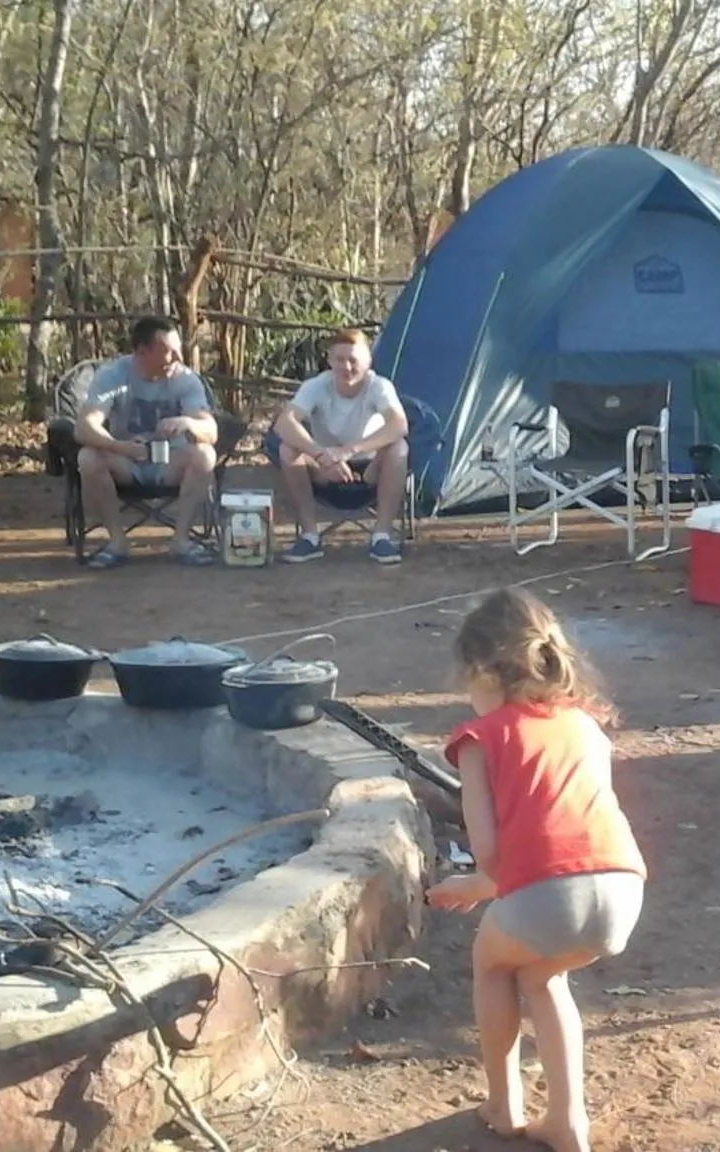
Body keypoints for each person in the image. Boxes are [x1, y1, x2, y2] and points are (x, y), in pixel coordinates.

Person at [424, 588, 646, 1152]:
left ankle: (504, 1105)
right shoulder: (585, 725)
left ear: (481, 671)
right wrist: (498, 886)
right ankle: (569, 1123)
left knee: (492, 964)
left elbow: (491, 852)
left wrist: (475, 884)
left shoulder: (478, 738)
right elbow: (573, 826)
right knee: (543, 975)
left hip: (549, 896)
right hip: (621, 887)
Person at [73, 316, 220, 569]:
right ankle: (117, 542)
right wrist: (120, 447)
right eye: (169, 352)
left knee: (205, 455)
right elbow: (84, 427)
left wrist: (188, 423)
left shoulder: (185, 379)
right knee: (87, 457)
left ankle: (182, 540)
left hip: (171, 463)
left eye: (178, 351)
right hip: (127, 461)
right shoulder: (114, 375)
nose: (177, 359)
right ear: (142, 352)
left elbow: (211, 430)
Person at [269, 328, 411, 565]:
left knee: (399, 448)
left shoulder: (379, 386)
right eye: (340, 360)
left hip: (369, 468)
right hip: (324, 467)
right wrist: (321, 454)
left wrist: (349, 450)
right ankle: (309, 536)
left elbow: (399, 424)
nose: (346, 367)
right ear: (329, 361)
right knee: (287, 449)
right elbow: (284, 423)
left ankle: (382, 536)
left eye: (353, 360)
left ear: (367, 361)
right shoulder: (316, 386)